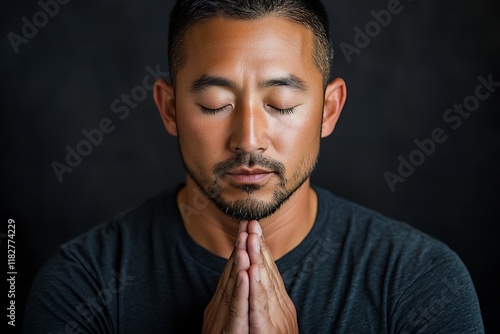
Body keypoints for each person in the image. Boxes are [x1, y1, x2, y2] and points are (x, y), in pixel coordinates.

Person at [24, 0, 484, 333]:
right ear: (168, 109)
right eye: (214, 102)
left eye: (281, 104)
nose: (247, 139)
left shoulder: (418, 282)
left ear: (328, 110)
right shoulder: (81, 285)